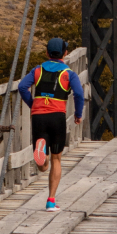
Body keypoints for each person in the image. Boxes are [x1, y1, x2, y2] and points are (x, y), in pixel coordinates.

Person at [17, 37, 85, 212]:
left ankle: (42, 157)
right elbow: (78, 93)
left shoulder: (37, 70)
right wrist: (78, 114)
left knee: (43, 165)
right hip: (57, 117)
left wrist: (33, 104)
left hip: (39, 117)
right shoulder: (69, 74)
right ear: (65, 53)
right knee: (57, 158)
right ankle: (51, 201)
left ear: (47, 53)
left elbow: (22, 87)